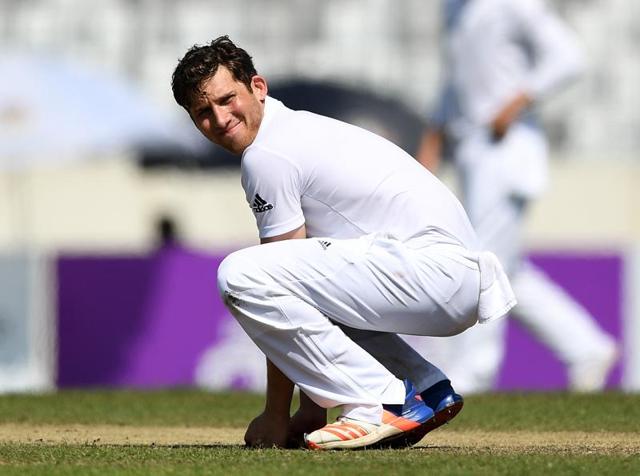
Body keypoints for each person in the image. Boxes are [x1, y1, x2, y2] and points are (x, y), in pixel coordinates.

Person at [171, 36, 516, 450]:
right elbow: (301, 286)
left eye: (228, 99)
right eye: (203, 113)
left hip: (431, 270)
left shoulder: (268, 155)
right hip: (445, 274)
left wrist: (276, 416)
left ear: (257, 87)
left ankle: (378, 402)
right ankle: (421, 386)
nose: (221, 117)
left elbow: (275, 280)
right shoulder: (293, 129)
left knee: (239, 275)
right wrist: (311, 413)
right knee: (295, 282)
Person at [416, 0, 618, 394]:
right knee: (505, 271)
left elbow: (569, 57)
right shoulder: (455, 9)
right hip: (474, 151)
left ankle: (473, 373)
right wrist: (434, 137)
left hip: (505, 149)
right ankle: (586, 347)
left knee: (480, 263)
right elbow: (458, 80)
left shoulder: (514, 3)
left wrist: (517, 100)